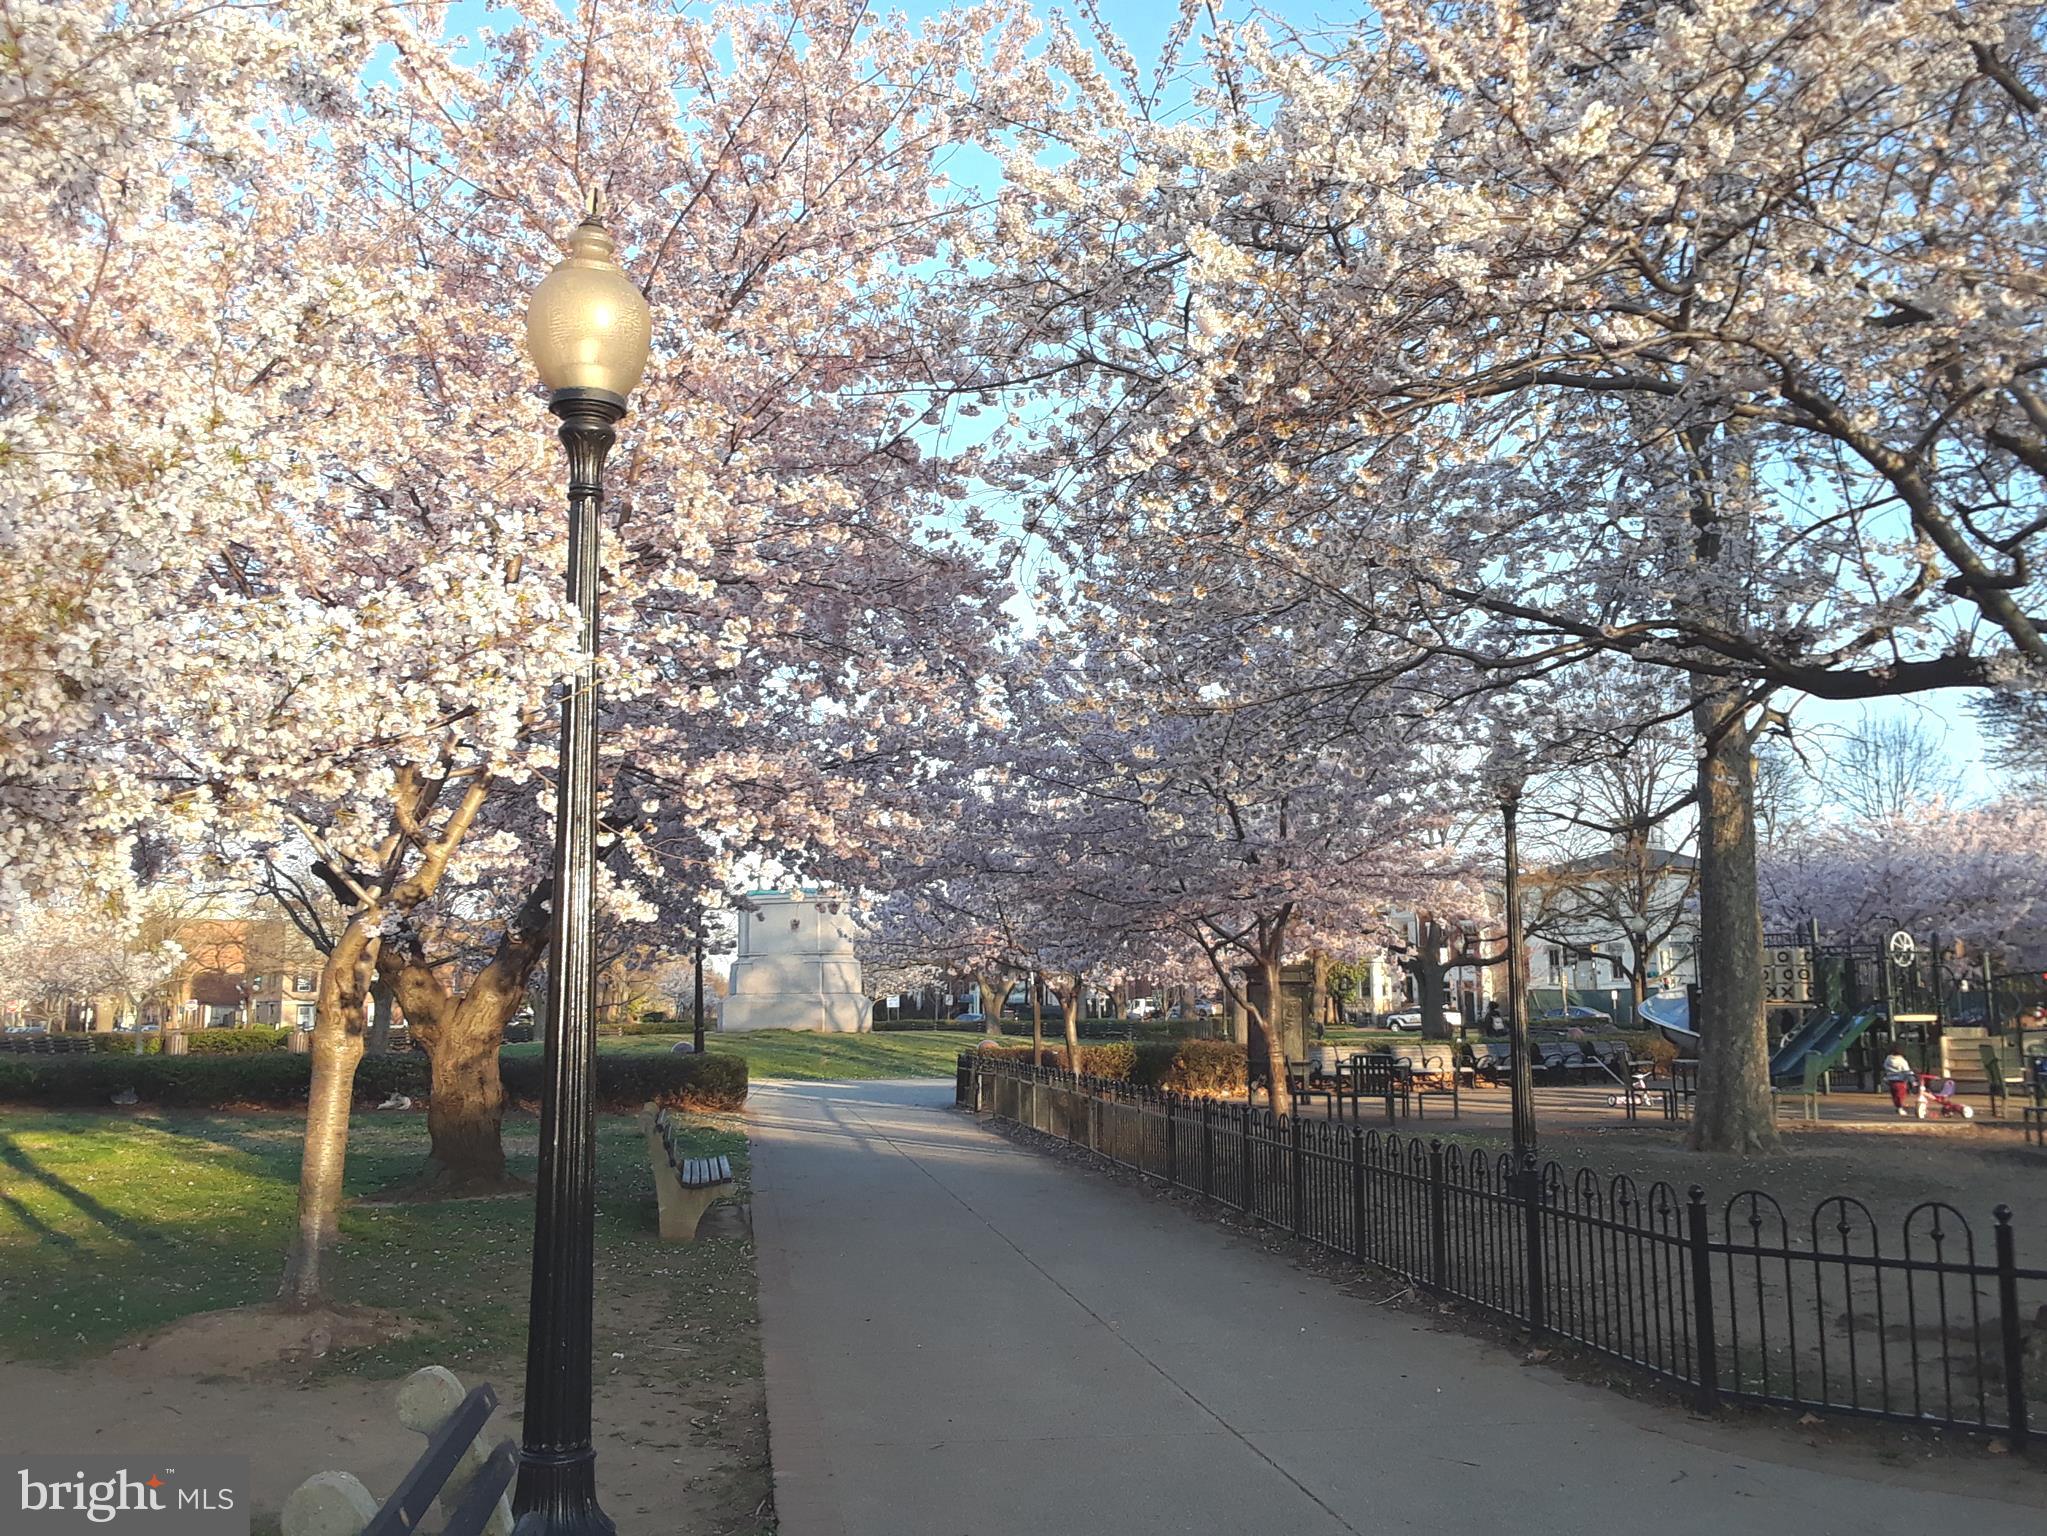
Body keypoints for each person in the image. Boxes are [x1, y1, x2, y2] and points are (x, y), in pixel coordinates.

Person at [1881, 1048, 1917, 1116]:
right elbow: (1906, 1071)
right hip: (1900, 1080)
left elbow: (1885, 1067)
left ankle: (1898, 1106)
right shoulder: (1902, 1061)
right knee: (1900, 1095)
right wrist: (1912, 1080)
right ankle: (1900, 1107)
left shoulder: (1888, 1059)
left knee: (1894, 1094)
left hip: (1891, 1079)